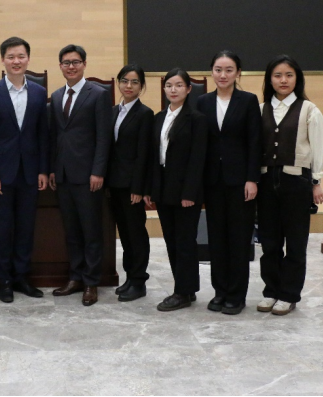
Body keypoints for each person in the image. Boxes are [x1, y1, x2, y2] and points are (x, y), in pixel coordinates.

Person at [0, 37, 49, 304]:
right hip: (1, 174)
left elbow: (43, 135)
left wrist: (43, 170)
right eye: (11, 57)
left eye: (21, 56)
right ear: (3, 60)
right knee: (1, 229)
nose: (16, 61)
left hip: (30, 174)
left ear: (28, 59)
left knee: (26, 228)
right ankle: (4, 280)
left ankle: (21, 277)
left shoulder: (39, 92)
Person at [257, 55, 323, 317]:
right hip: (266, 182)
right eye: (277, 75)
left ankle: (288, 294)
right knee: (270, 243)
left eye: (289, 75)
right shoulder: (260, 109)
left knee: (295, 243)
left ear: (297, 78)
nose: (283, 80)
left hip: (297, 182)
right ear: (270, 79)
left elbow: (318, 148)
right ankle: (271, 291)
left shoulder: (309, 110)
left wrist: (316, 182)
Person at [197, 51, 261, 315]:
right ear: (211, 71)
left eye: (229, 70)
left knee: (238, 238)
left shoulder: (248, 101)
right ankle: (220, 291)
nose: (222, 75)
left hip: (240, 181)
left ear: (238, 73)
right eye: (218, 69)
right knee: (217, 238)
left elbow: (255, 143)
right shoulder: (202, 101)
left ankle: (236, 294)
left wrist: (252, 178)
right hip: (212, 181)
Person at [49, 45, 113, 307]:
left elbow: (104, 137)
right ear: (60, 66)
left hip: (88, 176)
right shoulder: (56, 96)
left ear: (84, 64)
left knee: (91, 231)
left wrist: (98, 171)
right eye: (66, 63)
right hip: (63, 176)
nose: (71, 67)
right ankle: (75, 277)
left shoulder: (98, 94)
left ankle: (91, 282)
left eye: (76, 62)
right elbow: (55, 135)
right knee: (72, 231)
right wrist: (53, 169)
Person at [145, 68, 208, 312]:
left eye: (179, 85)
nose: (173, 89)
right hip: (163, 188)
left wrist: (190, 193)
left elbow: (198, 159)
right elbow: (154, 157)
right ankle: (186, 287)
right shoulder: (159, 117)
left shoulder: (197, 119)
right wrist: (151, 188)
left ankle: (182, 292)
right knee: (171, 241)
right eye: (169, 85)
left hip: (185, 191)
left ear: (189, 89)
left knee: (185, 242)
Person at [107, 65, 154, 303]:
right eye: (125, 81)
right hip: (114, 183)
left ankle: (139, 281)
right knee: (124, 234)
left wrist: (139, 188)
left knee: (136, 234)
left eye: (134, 82)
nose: (129, 86)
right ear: (118, 83)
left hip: (131, 186)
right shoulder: (113, 111)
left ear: (141, 86)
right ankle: (129, 277)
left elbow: (144, 154)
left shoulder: (145, 114)